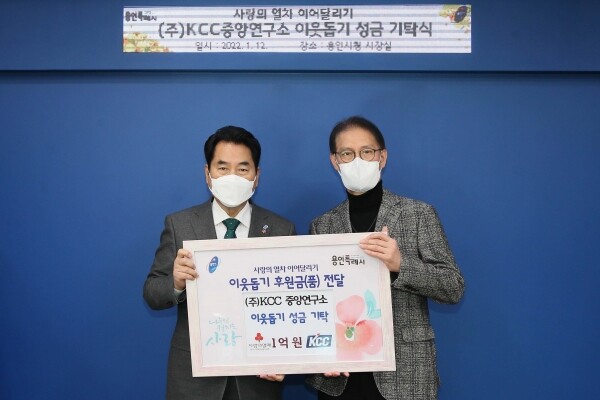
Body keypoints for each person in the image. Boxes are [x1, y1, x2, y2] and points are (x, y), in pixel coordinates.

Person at [306, 116, 465, 400]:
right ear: (335, 161)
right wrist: (321, 353)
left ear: (382, 157)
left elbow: (453, 287)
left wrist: (400, 265)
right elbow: (316, 300)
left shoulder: (418, 214)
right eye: (347, 153)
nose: (357, 160)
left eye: (366, 152)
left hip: (404, 375)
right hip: (341, 378)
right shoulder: (323, 225)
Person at [144, 126, 296, 400]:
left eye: (242, 169)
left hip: (257, 379)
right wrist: (176, 283)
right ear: (208, 174)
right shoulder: (179, 224)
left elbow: (293, 303)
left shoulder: (281, 229)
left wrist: (285, 357)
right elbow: (152, 293)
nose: (232, 177)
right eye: (223, 168)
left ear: (256, 176)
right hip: (193, 379)